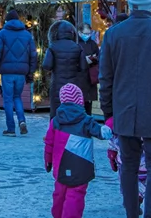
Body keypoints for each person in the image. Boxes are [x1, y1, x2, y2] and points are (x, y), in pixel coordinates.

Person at [99, 0, 151, 218]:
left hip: (125, 111)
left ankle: (132, 213)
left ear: (130, 4)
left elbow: (106, 78)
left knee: (129, 166)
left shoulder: (113, 34)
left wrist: (109, 112)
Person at [43, 83, 113, 218]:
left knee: (59, 192)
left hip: (60, 165)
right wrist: (111, 121)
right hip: (81, 166)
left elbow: (49, 143)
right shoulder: (86, 121)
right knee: (76, 195)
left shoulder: (56, 121)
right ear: (80, 100)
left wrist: (48, 159)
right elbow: (103, 133)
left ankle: (57, 215)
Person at [0, 9, 37, 137]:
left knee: (8, 100)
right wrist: (31, 72)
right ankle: (22, 121)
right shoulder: (27, 35)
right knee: (17, 97)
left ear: (7, 21)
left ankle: (11, 128)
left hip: (7, 72)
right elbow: (33, 55)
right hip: (21, 72)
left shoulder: (2, 34)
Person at [43, 20, 88, 117]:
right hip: (73, 85)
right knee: (72, 110)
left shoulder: (52, 47)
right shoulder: (78, 47)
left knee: (56, 111)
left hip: (57, 85)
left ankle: (55, 131)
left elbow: (47, 65)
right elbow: (83, 67)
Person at [107, 116, 148, 211]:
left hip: (125, 161)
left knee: (125, 181)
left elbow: (112, 144)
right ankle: (137, 198)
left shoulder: (118, 124)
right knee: (143, 183)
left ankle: (129, 198)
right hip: (145, 164)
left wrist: (112, 157)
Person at [79, 22, 100, 116]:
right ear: (80, 32)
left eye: (88, 33)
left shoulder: (93, 44)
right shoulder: (76, 44)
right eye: (85, 33)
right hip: (80, 76)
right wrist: (84, 60)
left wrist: (93, 59)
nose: (87, 35)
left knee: (89, 102)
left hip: (91, 77)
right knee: (80, 101)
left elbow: (99, 57)